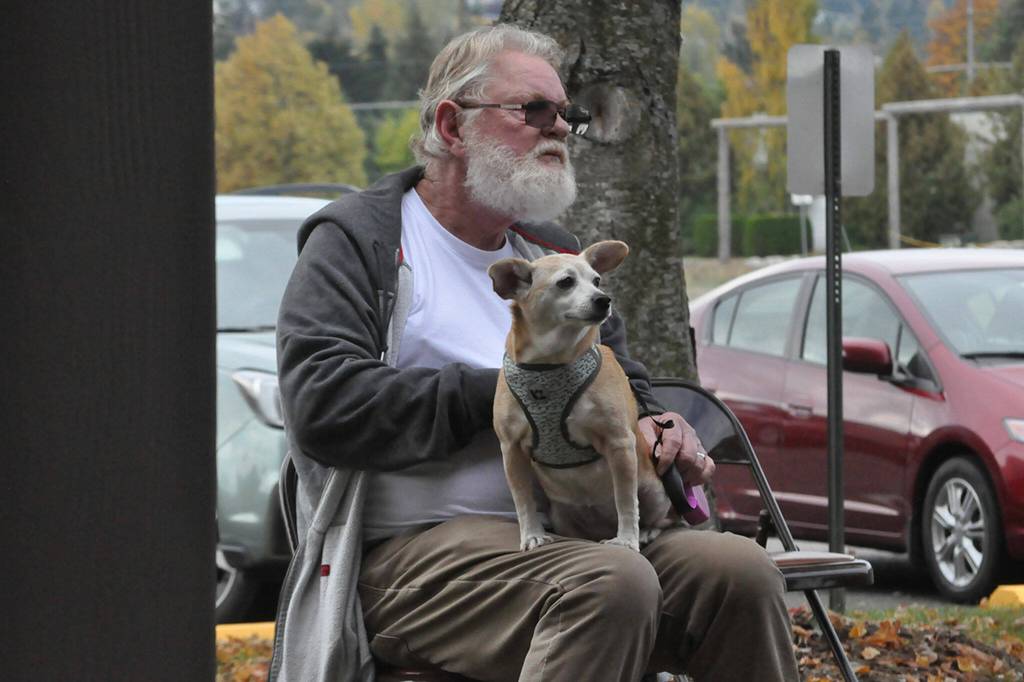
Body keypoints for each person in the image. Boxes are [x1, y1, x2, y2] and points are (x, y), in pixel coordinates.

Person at [270, 24, 799, 682]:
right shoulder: (361, 241)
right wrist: (505, 395)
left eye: (567, 115)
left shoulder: (546, 250)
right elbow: (323, 407)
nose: (559, 130)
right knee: (612, 581)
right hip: (411, 558)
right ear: (451, 125)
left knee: (740, 576)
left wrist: (659, 426)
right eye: (534, 111)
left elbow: (623, 381)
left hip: (576, 528)